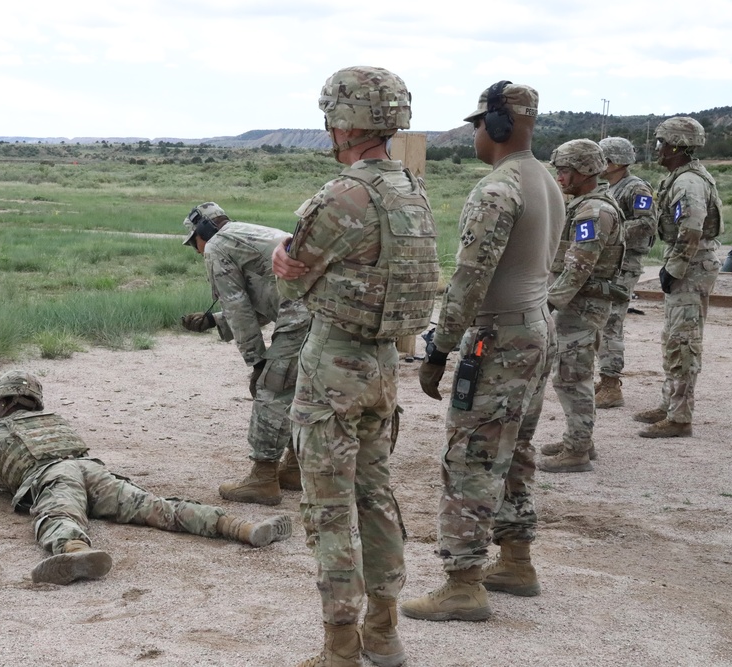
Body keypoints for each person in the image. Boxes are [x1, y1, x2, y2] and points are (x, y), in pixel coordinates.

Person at [272, 66, 439, 667]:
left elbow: (293, 271)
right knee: (377, 497)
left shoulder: (344, 195)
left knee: (329, 507)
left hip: (334, 366)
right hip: (384, 365)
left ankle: (340, 647)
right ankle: (385, 632)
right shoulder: (411, 189)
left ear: (341, 122)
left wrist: (280, 257)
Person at [398, 81, 564, 623]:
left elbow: (470, 280)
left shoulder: (497, 188)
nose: (472, 133)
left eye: (476, 123)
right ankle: (516, 560)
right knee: (514, 450)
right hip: (537, 331)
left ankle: (463, 582)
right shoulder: (548, 181)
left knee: (469, 458)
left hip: (501, 340)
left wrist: (439, 349)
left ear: (496, 124)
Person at [0, 370, 292, 585]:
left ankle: (76, 550)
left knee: (59, 514)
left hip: (53, 476)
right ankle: (242, 528)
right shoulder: (55, 419)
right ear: (37, 400)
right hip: (92, 469)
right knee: (157, 506)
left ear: (1, 402)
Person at [180, 202, 311, 505]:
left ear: (203, 231)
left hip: (300, 314)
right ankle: (294, 468)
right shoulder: (246, 234)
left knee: (271, 386)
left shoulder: (216, 246)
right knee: (302, 387)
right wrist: (213, 320)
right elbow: (264, 299)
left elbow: (239, 310)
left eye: (194, 243)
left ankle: (263, 478)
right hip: (317, 311)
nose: (197, 251)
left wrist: (256, 362)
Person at [537, 140, 624, 473]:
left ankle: (577, 450)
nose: (559, 176)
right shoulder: (585, 205)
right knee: (573, 374)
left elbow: (578, 267)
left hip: (581, 305)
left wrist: (548, 303)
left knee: (572, 377)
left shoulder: (593, 211)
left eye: (565, 170)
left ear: (585, 170)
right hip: (579, 302)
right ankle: (579, 439)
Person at [634, 117, 724, 438]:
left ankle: (680, 417)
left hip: (691, 266)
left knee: (683, 341)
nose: (657, 148)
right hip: (689, 264)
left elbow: (691, 228)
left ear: (676, 146)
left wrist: (674, 268)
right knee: (672, 337)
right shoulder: (681, 177)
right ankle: (669, 404)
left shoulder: (687, 183)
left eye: (661, 143)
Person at [594, 137, 659, 409]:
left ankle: (611, 385)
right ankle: (605, 377)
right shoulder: (608, 187)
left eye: (602, 159)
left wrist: (611, 234)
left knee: (611, 321)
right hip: (609, 263)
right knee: (601, 320)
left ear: (615, 161)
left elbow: (646, 224)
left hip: (625, 264)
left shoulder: (636, 188)